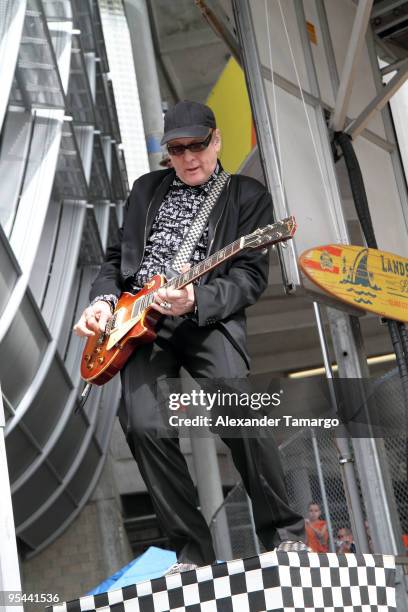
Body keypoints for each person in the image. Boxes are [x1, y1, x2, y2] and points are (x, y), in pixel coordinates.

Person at [73, 100, 306, 572]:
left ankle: (285, 536)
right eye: (177, 150)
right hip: (137, 324)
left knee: (237, 406)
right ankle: (191, 552)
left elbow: (249, 280)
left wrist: (196, 299)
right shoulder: (144, 191)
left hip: (206, 318)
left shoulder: (246, 195)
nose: (189, 157)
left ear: (216, 140)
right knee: (142, 425)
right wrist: (101, 303)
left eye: (198, 146)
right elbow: (115, 261)